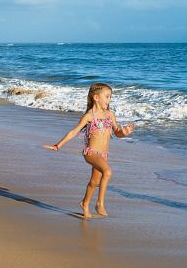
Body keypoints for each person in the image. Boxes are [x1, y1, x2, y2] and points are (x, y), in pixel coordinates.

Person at [44, 82, 135, 218]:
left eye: (110, 97)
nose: (109, 100)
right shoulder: (89, 116)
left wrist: (124, 132)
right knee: (108, 172)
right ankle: (100, 203)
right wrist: (58, 145)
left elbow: (117, 132)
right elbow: (74, 132)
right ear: (96, 97)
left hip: (103, 155)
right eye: (107, 96)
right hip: (91, 153)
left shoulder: (110, 114)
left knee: (94, 182)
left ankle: (85, 203)